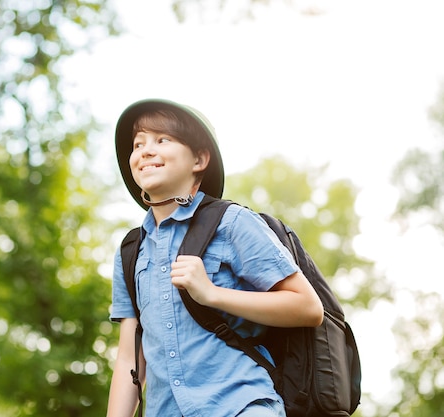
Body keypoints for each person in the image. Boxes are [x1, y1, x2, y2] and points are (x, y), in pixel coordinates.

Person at [106, 98, 324, 417]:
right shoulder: (130, 251)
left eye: (162, 139)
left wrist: (213, 294)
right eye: (138, 144)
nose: (145, 151)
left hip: (241, 406)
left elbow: (307, 307)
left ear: (199, 159)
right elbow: (129, 359)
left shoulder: (232, 222)